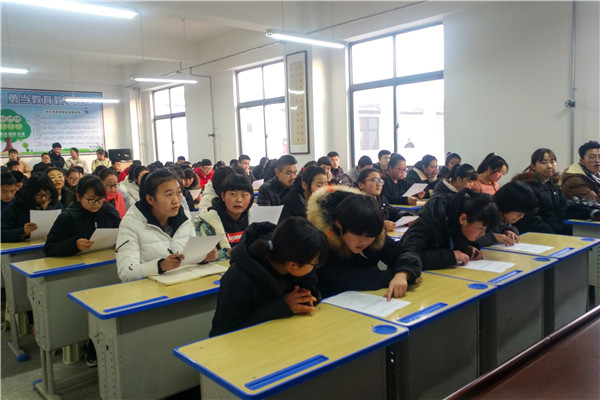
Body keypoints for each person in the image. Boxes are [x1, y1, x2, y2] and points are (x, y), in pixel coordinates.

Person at [209, 217, 328, 336]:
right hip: (240, 343)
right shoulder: (238, 277)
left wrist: (307, 298)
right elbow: (227, 332)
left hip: (281, 334)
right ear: (292, 266)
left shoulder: (294, 263)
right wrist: (282, 306)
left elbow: (312, 291)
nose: (315, 267)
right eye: (314, 263)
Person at [307, 186, 422, 299]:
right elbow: (344, 279)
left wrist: (402, 273)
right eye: (358, 235)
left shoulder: (373, 232)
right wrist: (397, 275)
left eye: (369, 236)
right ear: (339, 224)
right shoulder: (321, 242)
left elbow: (403, 253)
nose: (363, 242)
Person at [116, 169, 218, 282]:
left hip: (185, 283)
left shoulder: (184, 216)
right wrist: (160, 266)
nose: (176, 200)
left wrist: (203, 257)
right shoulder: (131, 223)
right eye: (169, 194)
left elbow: (189, 256)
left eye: (179, 192)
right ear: (150, 199)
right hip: (152, 289)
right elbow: (126, 273)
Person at [400, 189, 499, 269]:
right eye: (480, 228)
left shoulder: (456, 222)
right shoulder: (428, 222)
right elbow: (407, 256)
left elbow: (448, 245)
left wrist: (465, 248)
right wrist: (451, 256)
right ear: (463, 219)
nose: (483, 234)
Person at [44, 175, 121, 257]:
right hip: (76, 261)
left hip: (106, 259)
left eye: (100, 199)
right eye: (91, 199)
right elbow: (49, 248)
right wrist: (74, 245)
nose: (96, 203)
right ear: (78, 197)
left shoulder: (109, 212)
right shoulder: (68, 217)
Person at [511, 149, 571, 235]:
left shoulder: (554, 185)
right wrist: (552, 234)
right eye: (543, 162)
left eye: (552, 162)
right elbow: (531, 218)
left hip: (555, 231)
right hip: (537, 234)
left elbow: (562, 210)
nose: (549, 166)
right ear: (533, 166)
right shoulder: (527, 186)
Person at [195, 174, 254, 260]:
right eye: (233, 194)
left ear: (251, 197)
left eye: (244, 195)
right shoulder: (208, 223)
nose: (239, 200)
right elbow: (198, 255)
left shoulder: (256, 219)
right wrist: (204, 258)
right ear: (223, 196)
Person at [1, 173, 61, 242]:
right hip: (22, 247)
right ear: (31, 194)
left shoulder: (55, 204)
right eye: (38, 195)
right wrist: (23, 231)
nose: (44, 198)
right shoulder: (16, 207)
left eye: (47, 194)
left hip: (49, 243)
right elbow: (2, 233)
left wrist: (47, 210)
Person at [476, 181, 537, 247]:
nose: (522, 216)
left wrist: (508, 231)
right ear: (508, 205)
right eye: (519, 213)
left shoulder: (503, 214)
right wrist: (492, 237)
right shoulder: (483, 210)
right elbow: (470, 239)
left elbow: (505, 226)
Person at [357, 168, 411, 232]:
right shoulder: (356, 203)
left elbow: (392, 211)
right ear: (361, 185)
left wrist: (406, 217)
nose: (378, 184)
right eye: (374, 180)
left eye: (380, 181)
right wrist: (380, 225)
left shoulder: (381, 199)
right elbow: (359, 224)